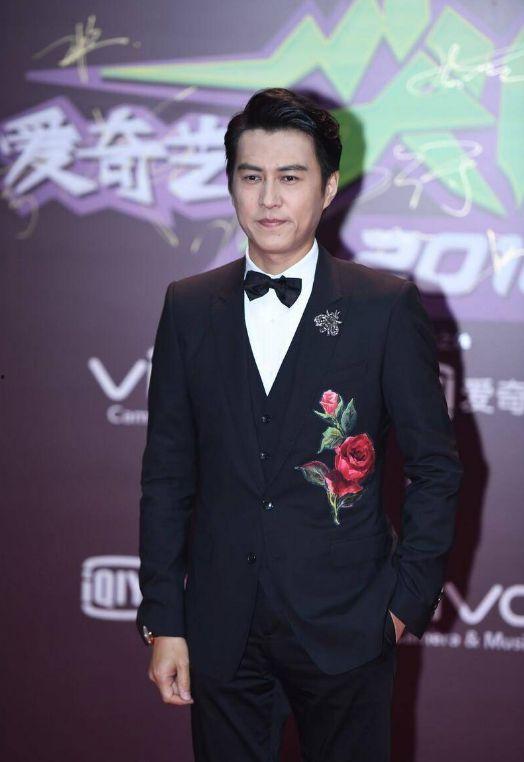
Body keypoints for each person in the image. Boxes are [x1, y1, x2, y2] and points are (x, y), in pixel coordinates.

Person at [136, 87, 463, 761]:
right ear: (231, 185)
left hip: (348, 625)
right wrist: (166, 618)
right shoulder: (190, 307)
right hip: (223, 629)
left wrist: (403, 603)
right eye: (251, 177)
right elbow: (166, 476)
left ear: (328, 187)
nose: (268, 199)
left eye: (290, 177)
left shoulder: (383, 307)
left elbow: (436, 466)